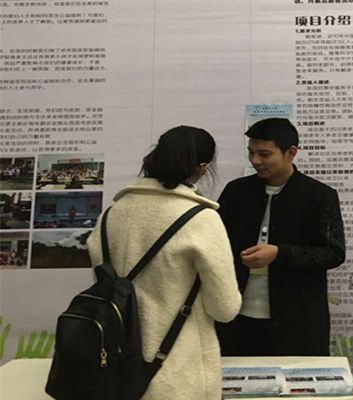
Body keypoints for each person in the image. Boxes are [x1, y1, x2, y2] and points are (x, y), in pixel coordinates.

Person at [86, 126, 241, 400]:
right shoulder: (201, 218)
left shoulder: (111, 214)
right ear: (201, 168)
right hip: (178, 375)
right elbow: (224, 308)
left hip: (113, 369)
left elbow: (105, 285)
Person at [216, 118, 345, 356]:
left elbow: (333, 253)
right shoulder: (236, 192)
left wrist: (280, 253)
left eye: (265, 154)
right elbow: (215, 243)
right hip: (236, 316)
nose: (256, 161)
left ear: (291, 153)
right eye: (251, 153)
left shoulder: (319, 196)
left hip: (297, 320)